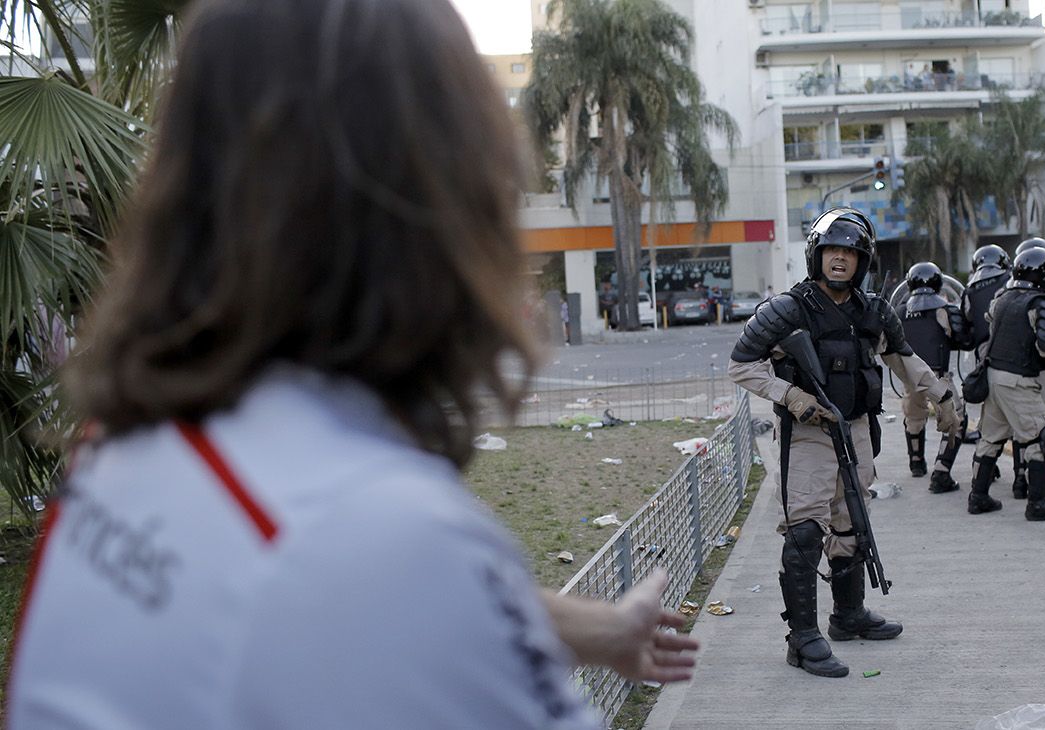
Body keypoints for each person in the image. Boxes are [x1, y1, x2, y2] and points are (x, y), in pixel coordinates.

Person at [6, 1, 697, 727]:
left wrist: (601, 630)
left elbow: (302, 589)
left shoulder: (123, 449)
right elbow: (362, 573)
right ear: (442, 201)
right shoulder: (372, 534)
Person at [728, 208, 958, 678]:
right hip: (807, 435)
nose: (840, 260)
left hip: (856, 431)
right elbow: (741, 365)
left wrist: (943, 399)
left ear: (862, 262)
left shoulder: (873, 310)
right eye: (832, 251)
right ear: (817, 256)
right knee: (806, 531)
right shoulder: (787, 309)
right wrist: (791, 395)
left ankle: (847, 616)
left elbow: (904, 359)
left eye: (850, 254)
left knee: (852, 523)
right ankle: (802, 639)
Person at [967, 248, 1045, 521]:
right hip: (1018, 380)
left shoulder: (1002, 298)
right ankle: (1038, 505)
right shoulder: (1040, 304)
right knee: (1040, 438)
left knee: (990, 438)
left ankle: (978, 496)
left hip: (994, 375)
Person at [894, 262, 971, 494]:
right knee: (956, 419)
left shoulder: (900, 311)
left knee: (914, 417)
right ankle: (942, 472)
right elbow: (962, 339)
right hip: (937, 377)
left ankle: (916, 462)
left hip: (910, 376)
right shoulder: (944, 309)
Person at [959, 244, 1012, 448]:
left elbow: (966, 323)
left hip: (985, 352)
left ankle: (986, 466)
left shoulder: (970, 288)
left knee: (992, 406)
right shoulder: (1009, 280)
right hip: (1014, 347)